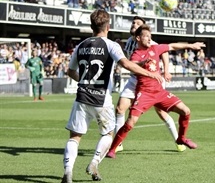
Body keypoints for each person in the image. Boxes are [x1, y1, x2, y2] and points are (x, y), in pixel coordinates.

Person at [61, 10, 162, 183]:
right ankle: (94, 163)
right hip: (102, 99)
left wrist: (84, 80)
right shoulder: (111, 45)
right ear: (108, 27)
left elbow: (70, 71)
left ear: (92, 26)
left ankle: (68, 173)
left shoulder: (81, 45)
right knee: (108, 134)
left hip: (82, 97)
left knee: (75, 137)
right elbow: (126, 64)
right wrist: (150, 73)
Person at [106, 24, 206, 159]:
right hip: (144, 93)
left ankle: (181, 139)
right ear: (138, 38)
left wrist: (191, 45)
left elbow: (173, 46)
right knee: (130, 122)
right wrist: (143, 63)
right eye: (146, 36)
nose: (149, 39)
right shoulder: (137, 53)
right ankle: (112, 149)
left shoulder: (155, 48)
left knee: (186, 111)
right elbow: (132, 65)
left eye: (150, 36)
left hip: (160, 92)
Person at [114, 16, 186, 153]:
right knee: (119, 109)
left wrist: (166, 71)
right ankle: (118, 144)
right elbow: (129, 60)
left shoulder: (149, 41)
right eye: (133, 22)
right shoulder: (130, 41)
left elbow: (164, 52)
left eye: (137, 23)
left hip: (150, 81)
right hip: (134, 80)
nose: (134, 24)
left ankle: (178, 141)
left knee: (161, 112)